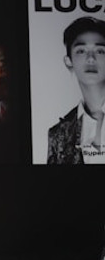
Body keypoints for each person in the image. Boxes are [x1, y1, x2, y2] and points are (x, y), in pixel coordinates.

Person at [47, 16, 105, 164]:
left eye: (100, 51)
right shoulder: (59, 134)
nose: (91, 58)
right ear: (68, 61)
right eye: (81, 51)